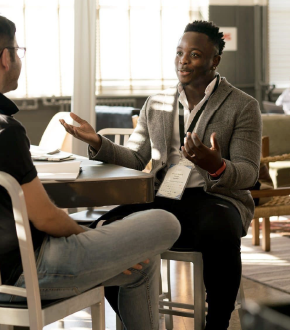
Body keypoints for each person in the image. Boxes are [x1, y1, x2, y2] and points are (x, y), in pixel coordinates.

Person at [0, 10, 181, 330]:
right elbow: (45, 217)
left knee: (142, 264)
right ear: (5, 57)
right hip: (29, 273)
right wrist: (89, 237)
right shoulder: (3, 129)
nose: (19, 58)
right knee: (164, 221)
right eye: (18, 51)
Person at [61, 20, 262, 330]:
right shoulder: (155, 104)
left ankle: (217, 323)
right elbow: (136, 158)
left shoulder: (242, 105)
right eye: (179, 52)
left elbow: (248, 173)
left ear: (215, 60)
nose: (183, 60)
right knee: (109, 228)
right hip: (164, 197)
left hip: (216, 198)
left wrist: (215, 165)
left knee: (219, 228)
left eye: (194, 54)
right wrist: (98, 143)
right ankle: (135, 321)